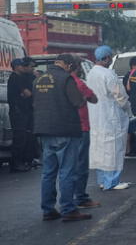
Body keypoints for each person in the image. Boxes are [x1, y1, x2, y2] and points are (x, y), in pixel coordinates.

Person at [33, 54, 90, 222]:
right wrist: (85, 97)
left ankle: (48, 209)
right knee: (67, 171)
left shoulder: (38, 79)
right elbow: (78, 102)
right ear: (68, 64)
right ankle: (68, 208)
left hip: (44, 130)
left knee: (48, 172)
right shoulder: (66, 79)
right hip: (64, 129)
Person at [87, 46, 132, 191]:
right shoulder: (108, 74)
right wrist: (128, 110)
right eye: (110, 57)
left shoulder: (91, 73)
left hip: (96, 116)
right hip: (111, 116)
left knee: (100, 150)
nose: (111, 59)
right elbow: (120, 96)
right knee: (114, 150)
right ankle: (112, 181)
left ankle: (102, 180)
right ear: (106, 58)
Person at [70, 57, 100, 208]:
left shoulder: (60, 82)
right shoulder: (79, 83)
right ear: (77, 67)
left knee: (67, 166)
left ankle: (69, 198)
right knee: (81, 164)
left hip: (66, 128)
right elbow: (93, 99)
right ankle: (80, 197)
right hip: (82, 127)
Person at [7, 58, 34, 172]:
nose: (24, 67)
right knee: (19, 138)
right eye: (22, 65)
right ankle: (16, 164)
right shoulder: (15, 78)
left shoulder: (21, 78)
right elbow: (27, 93)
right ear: (17, 67)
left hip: (22, 111)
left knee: (24, 137)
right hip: (17, 112)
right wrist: (27, 94)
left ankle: (22, 161)